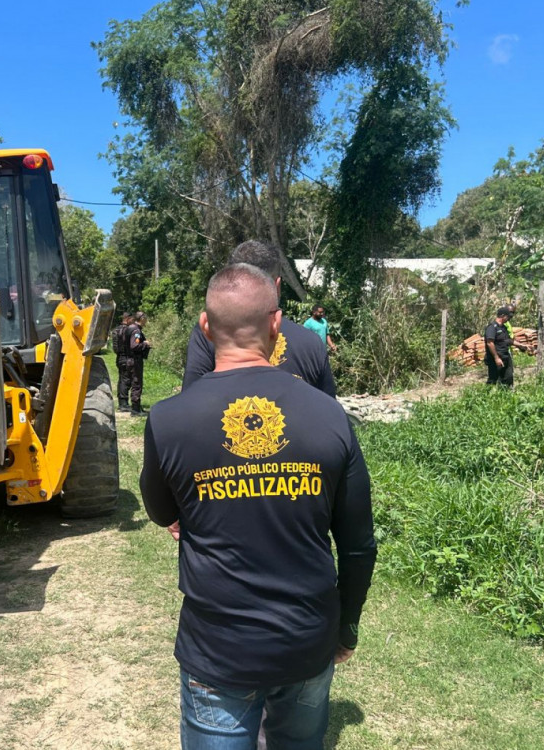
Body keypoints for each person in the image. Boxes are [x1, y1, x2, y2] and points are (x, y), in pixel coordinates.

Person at [141, 263, 377, 749]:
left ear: (205, 328)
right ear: (276, 325)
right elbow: (358, 545)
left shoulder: (168, 420)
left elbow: (162, 511)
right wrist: (346, 627)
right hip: (307, 637)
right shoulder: (329, 415)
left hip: (218, 647)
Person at [183, 241, 336, 397]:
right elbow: (326, 411)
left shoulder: (210, 332)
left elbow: (191, 400)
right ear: (276, 285)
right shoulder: (312, 342)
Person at [484, 306, 517, 387]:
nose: (509, 318)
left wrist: (522, 345)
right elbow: (490, 343)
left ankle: (506, 396)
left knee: (508, 377)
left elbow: (508, 341)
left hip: (505, 356)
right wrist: (496, 358)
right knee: (493, 380)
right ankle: (486, 396)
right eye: (508, 316)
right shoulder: (492, 327)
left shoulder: (503, 327)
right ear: (502, 316)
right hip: (495, 359)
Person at [128, 311, 152, 414]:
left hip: (131, 360)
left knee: (135, 383)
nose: (146, 321)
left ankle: (137, 407)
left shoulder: (130, 328)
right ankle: (135, 409)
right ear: (142, 319)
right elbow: (134, 346)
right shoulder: (136, 331)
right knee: (137, 384)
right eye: (145, 318)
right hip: (135, 360)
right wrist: (145, 344)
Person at [113, 311, 135, 411]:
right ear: (127, 319)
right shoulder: (128, 330)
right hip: (127, 357)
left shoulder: (116, 330)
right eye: (132, 319)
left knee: (122, 379)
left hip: (119, 357)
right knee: (126, 380)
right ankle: (123, 404)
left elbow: (115, 348)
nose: (133, 321)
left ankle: (122, 402)